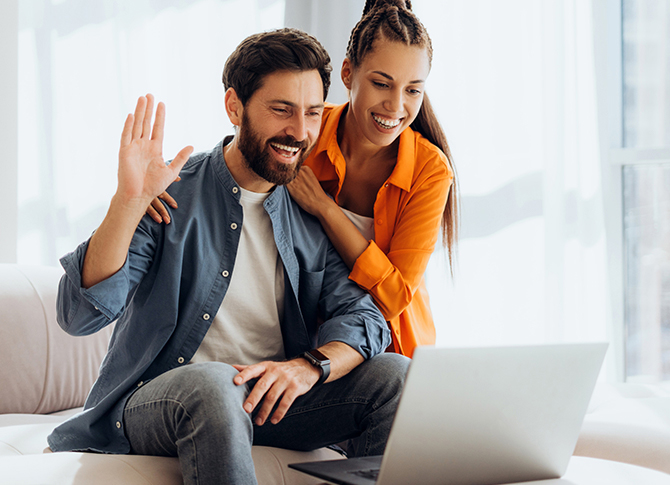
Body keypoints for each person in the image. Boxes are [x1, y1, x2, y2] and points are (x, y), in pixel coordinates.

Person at [48, 28, 408, 485]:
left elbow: (364, 318)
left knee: (396, 374)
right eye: (282, 110)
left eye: (312, 112)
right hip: (158, 400)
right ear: (234, 106)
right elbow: (77, 316)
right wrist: (127, 203)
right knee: (216, 384)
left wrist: (308, 366)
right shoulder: (170, 194)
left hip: (268, 404)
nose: (300, 131)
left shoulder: (312, 210)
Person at [150, 0, 458, 358]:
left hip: (393, 347)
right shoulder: (306, 130)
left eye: (413, 90)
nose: (395, 106)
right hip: (306, 343)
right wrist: (170, 188)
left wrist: (325, 210)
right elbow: (245, 153)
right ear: (348, 74)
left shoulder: (430, 170)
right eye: (381, 84)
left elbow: (391, 300)